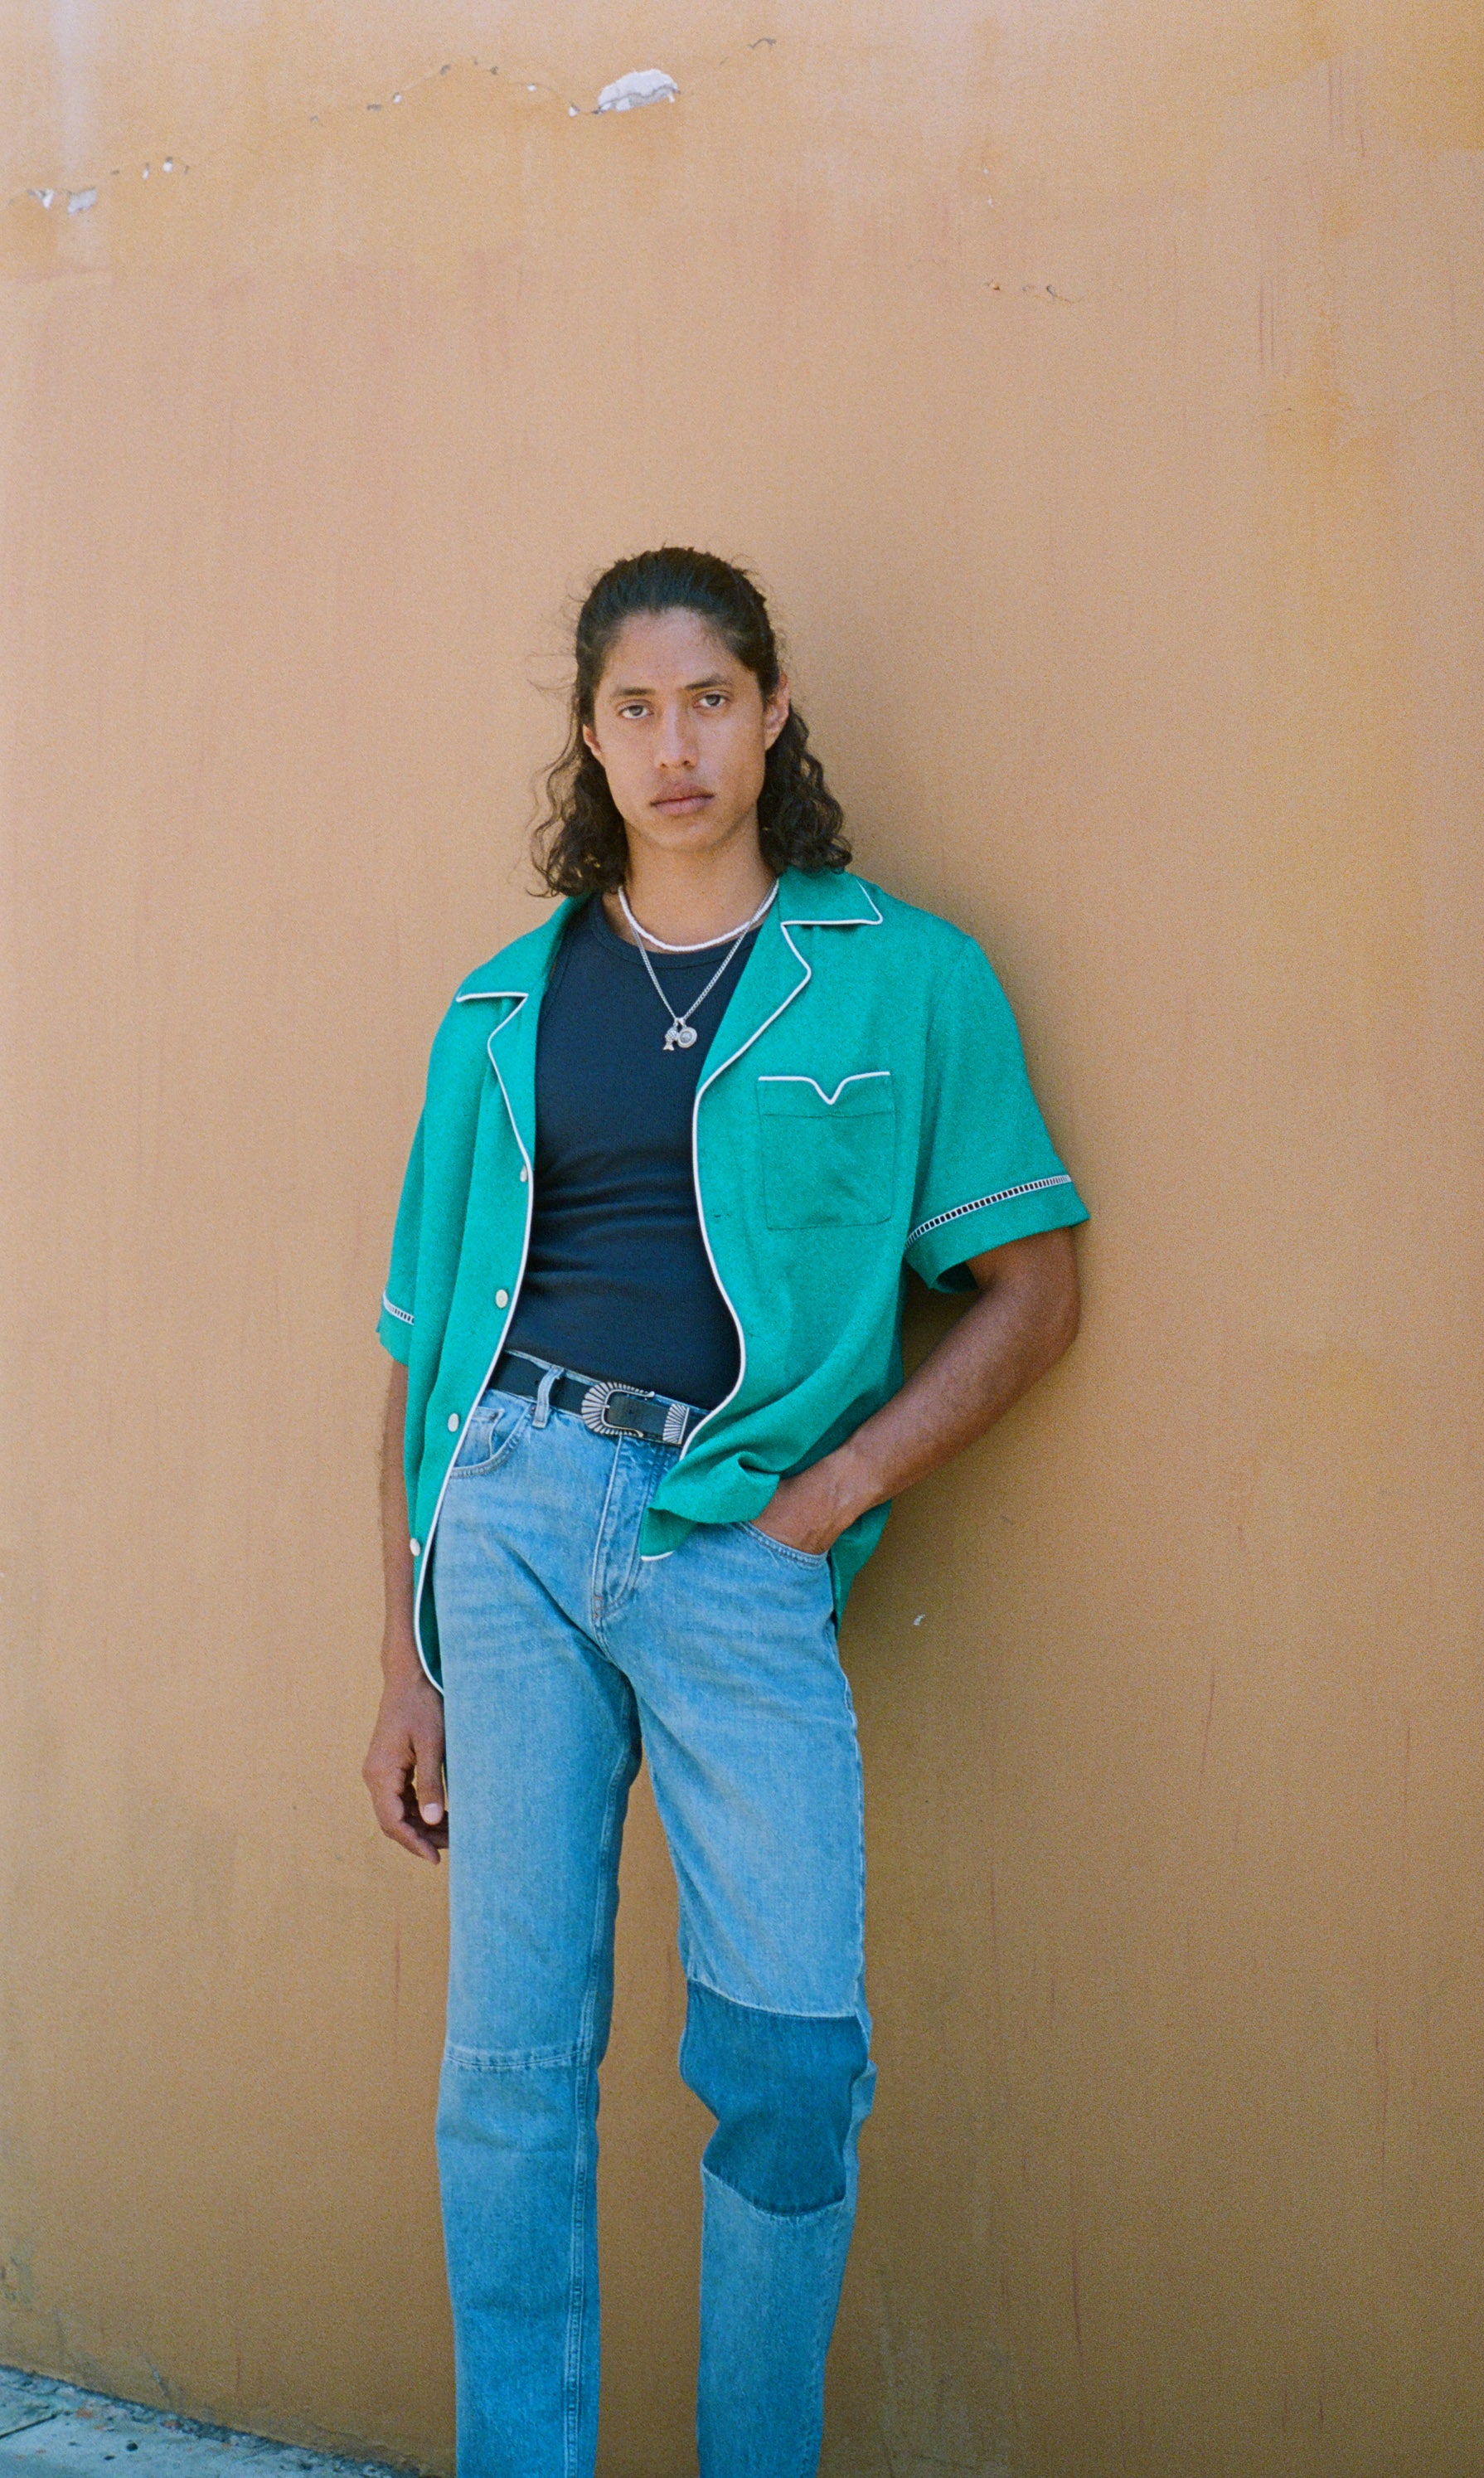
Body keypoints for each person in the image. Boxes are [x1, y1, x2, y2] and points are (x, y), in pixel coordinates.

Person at [362, 547, 1086, 2478]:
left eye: (708, 699)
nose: (672, 744)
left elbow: (1034, 1291)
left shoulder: (904, 978)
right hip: (507, 1522)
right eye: (630, 708)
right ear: (588, 743)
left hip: (732, 1548)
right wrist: (405, 1658)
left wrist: (830, 1498)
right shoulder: (501, 1011)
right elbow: (420, 1365)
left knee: (787, 2065)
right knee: (509, 2077)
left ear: (770, 713)